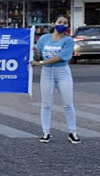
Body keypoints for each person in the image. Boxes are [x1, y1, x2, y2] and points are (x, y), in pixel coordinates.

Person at [31, 14, 79, 144]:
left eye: (65, 23)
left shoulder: (68, 41)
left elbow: (60, 57)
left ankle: (72, 132)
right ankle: (46, 132)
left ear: (68, 26)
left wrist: (40, 63)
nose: (62, 25)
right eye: (59, 22)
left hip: (62, 72)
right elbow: (38, 56)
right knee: (46, 104)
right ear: (54, 24)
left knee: (68, 103)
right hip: (47, 73)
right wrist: (36, 53)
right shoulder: (44, 38)